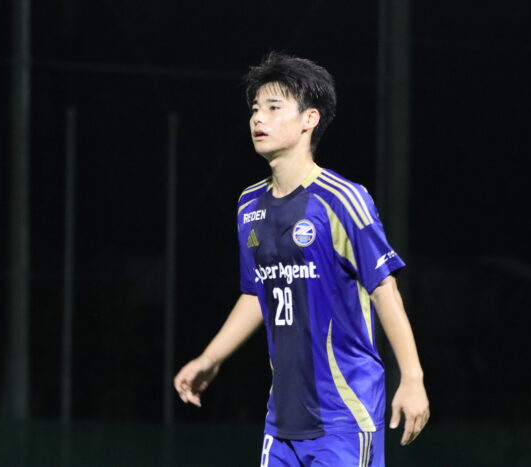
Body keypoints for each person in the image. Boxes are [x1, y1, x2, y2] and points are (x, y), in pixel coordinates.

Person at [174, 52, 429, 467]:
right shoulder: (248, 205)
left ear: (310, 119)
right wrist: (210, 358)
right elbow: (257, 293)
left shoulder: (342, 199)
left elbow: (384, 288)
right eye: (255, 109)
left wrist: (412, 378)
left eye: (274, 108)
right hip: (281, 423)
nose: (259, 118)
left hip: (345, 417)